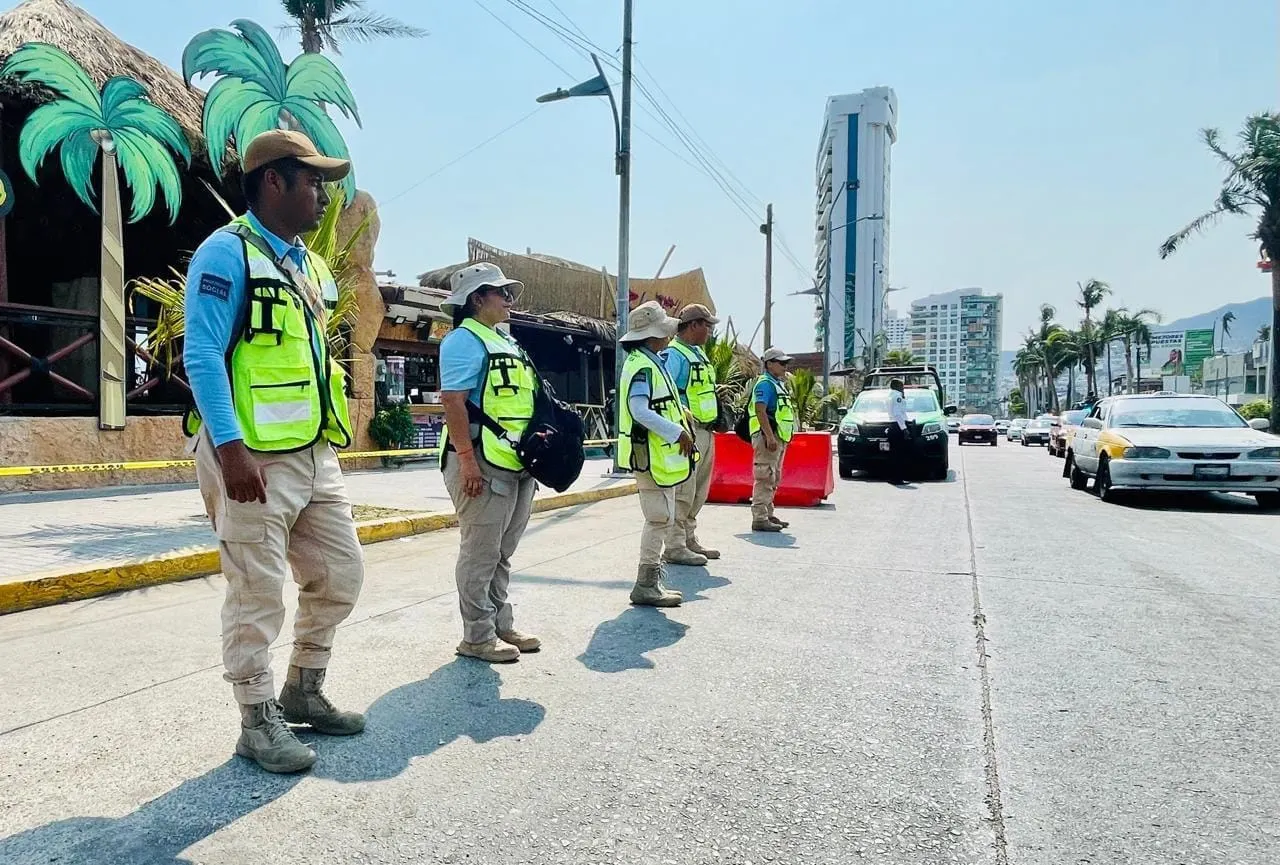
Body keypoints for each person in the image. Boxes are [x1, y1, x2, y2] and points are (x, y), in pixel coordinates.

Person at [183, 130, 365, 775]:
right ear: (272, 182)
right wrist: (230, 449)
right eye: (312, 180)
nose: (323, 193)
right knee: (256, 590)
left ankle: (303, 690)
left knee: (341, 574)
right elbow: (202, 352)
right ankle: (257, 719)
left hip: (313, 454)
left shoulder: (307, 265)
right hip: (251, 454)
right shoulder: (225, 253)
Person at [438, 263, 542, 664]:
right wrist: (467, 462)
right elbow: (453, 402)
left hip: (515, 462)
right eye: (501, 293)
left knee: (502, 552)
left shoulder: (505, 341)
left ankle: (500, 623)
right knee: (480, 552)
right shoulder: (463, 340)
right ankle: (477, 636)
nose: (509, 300)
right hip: (481, 461)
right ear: (476, 299)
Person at [618, 301, 697, 606]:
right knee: (658, 519)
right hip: (650, 456)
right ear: (653, 335)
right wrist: (676, 432)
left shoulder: (650, 361)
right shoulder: (642, 365)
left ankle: (649, 582)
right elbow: (639, 410)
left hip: (658, 455)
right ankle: (646, 584)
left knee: (662, 517)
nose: (668, 335)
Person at [660, 304, 721, 565]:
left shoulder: (697, 354)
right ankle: (674, 545)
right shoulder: (675, 354)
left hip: (706, 430)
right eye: (707, 325)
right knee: (684, 489)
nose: (709, 331)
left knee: (699, 490)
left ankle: (689, 538)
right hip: (688, 431)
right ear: (694, 325)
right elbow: (666, 392)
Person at [749, 348, 796, 532]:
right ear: (769, 364)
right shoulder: (765, 384)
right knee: (765, 476)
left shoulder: (777, 384)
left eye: (786, 363)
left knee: (773, 477)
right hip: (768, 437)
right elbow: (760, 410)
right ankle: (760, 517)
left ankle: (768, 513)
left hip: (778, 437)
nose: (785, 367)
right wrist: (769, 436)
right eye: (781, 363)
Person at [886, 378, 912, 485]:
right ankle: (897, 478)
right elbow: (898, 414)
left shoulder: (890, 396)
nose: (903, 388)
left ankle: (893, 477)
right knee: (899, 454)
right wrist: (904, 428)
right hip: (898, 427)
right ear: (897, 386)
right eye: (902, 386)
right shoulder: (897, 397)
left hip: (893, 425)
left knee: (893, 454)